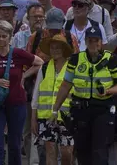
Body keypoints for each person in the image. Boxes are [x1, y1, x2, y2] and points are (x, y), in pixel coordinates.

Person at [51, 26, 117, 165]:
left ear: (101, 41)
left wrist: (108, 91)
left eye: (96, 40)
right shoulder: (75, 60)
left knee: (100, 152)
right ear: (85, 41)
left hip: (103, 110)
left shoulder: (111, 60)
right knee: (82, 152)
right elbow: (66, 85)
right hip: (81, 111)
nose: (93, 44)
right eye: (90, 41)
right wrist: (55, 109)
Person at [0, 20, 44, 165]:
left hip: (16, 102)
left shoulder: (18, 53)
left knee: (14, 143)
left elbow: (39, 62)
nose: (1, 39)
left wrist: (24, 75)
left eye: (4, 36)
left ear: (10, 37)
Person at [31, 34, 75, 165]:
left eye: (58, 48)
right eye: (52, 48)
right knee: (50, 151)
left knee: (67, 153)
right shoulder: (44, 68)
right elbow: (36, 94)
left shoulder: (71, 68)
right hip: (47, 117)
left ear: (64, 50)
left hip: (67, 117)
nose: (55, 50)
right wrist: (33, 119)